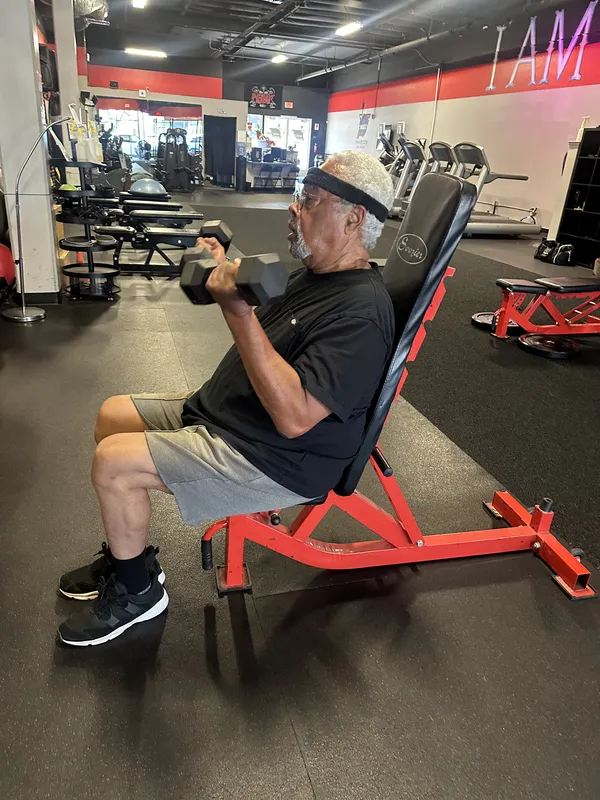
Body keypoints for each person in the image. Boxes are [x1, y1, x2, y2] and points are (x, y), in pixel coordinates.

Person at [57, 150, 396, 647]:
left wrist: (237, 313)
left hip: (275, 456)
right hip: (228, 412)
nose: (293, 207)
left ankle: (138, 593)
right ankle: (127, 557)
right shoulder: (315, 277)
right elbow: (261, 317)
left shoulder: (361, 314)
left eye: (310, 198)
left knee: (113, 463)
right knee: (113, 416)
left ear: (353, 218)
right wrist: (220, 269)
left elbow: (295, 418)